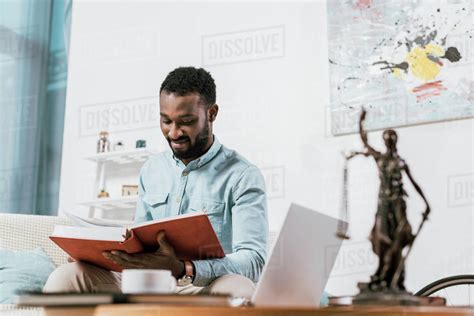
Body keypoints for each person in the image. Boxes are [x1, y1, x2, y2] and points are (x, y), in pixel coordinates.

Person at [44, 67, 268, 299]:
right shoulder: (152, 169)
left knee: (238, 289)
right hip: (146, 284)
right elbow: (140, 240)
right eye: (166, 121)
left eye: (186, 121)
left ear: (211, 113)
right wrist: (99, 255)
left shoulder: (242, 175)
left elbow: (253, 260)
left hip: (201, 288)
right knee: (67, 276)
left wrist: (185, 268)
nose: (173, 132)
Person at [346, 108, 430, 291]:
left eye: (390, 140)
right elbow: (365, 142)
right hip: (383, 205)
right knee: (380, 238)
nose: (388, 143)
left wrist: (426, 203)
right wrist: (361, 121)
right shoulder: (381, 158)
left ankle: (390, 277)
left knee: (400, 236)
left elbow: (414, 184)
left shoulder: (399, 162)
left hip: (397, 203)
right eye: (386, 140)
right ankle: (383, 276)